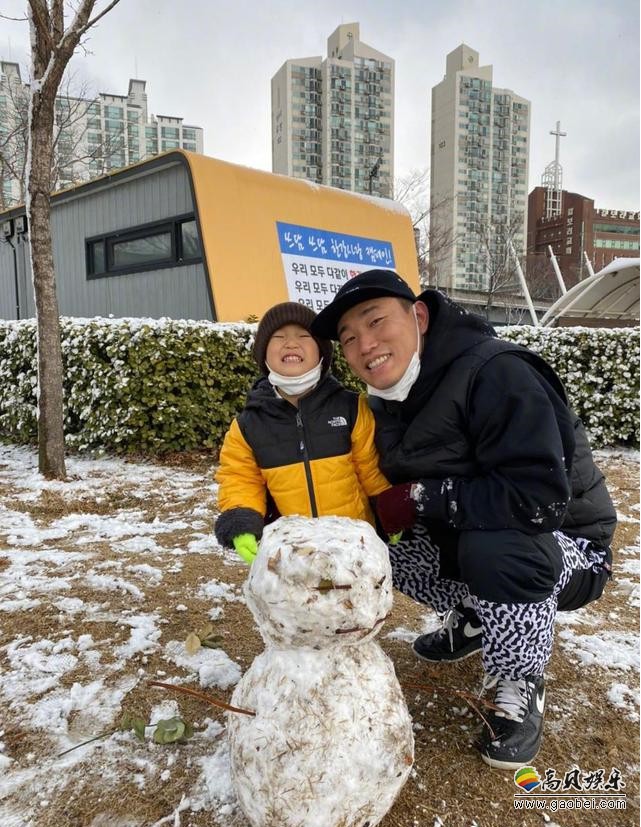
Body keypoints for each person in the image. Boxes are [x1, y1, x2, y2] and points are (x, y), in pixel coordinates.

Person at [311, 269, 616, 770]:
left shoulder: (497, 372)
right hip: (477, 537)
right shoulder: (385, 402)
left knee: (496, 546)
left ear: (420, 316)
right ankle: (479, 617)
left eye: (375, 321)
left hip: (564, 549)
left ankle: (519, 677)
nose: (365, 345)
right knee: (370, 547)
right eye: (348, 339)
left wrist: (425, 497)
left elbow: (538, 502)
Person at [215, 301, 390, 564]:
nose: (291, 343)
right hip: (293, 553)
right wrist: (240, 519)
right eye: (279, 337)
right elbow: (240, 478)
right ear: (263, 354)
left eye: (303, 336)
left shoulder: (351, 408)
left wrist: (388, 508)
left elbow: (371, 469)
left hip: (354, 546)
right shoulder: (248, 426)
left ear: (321, 352)